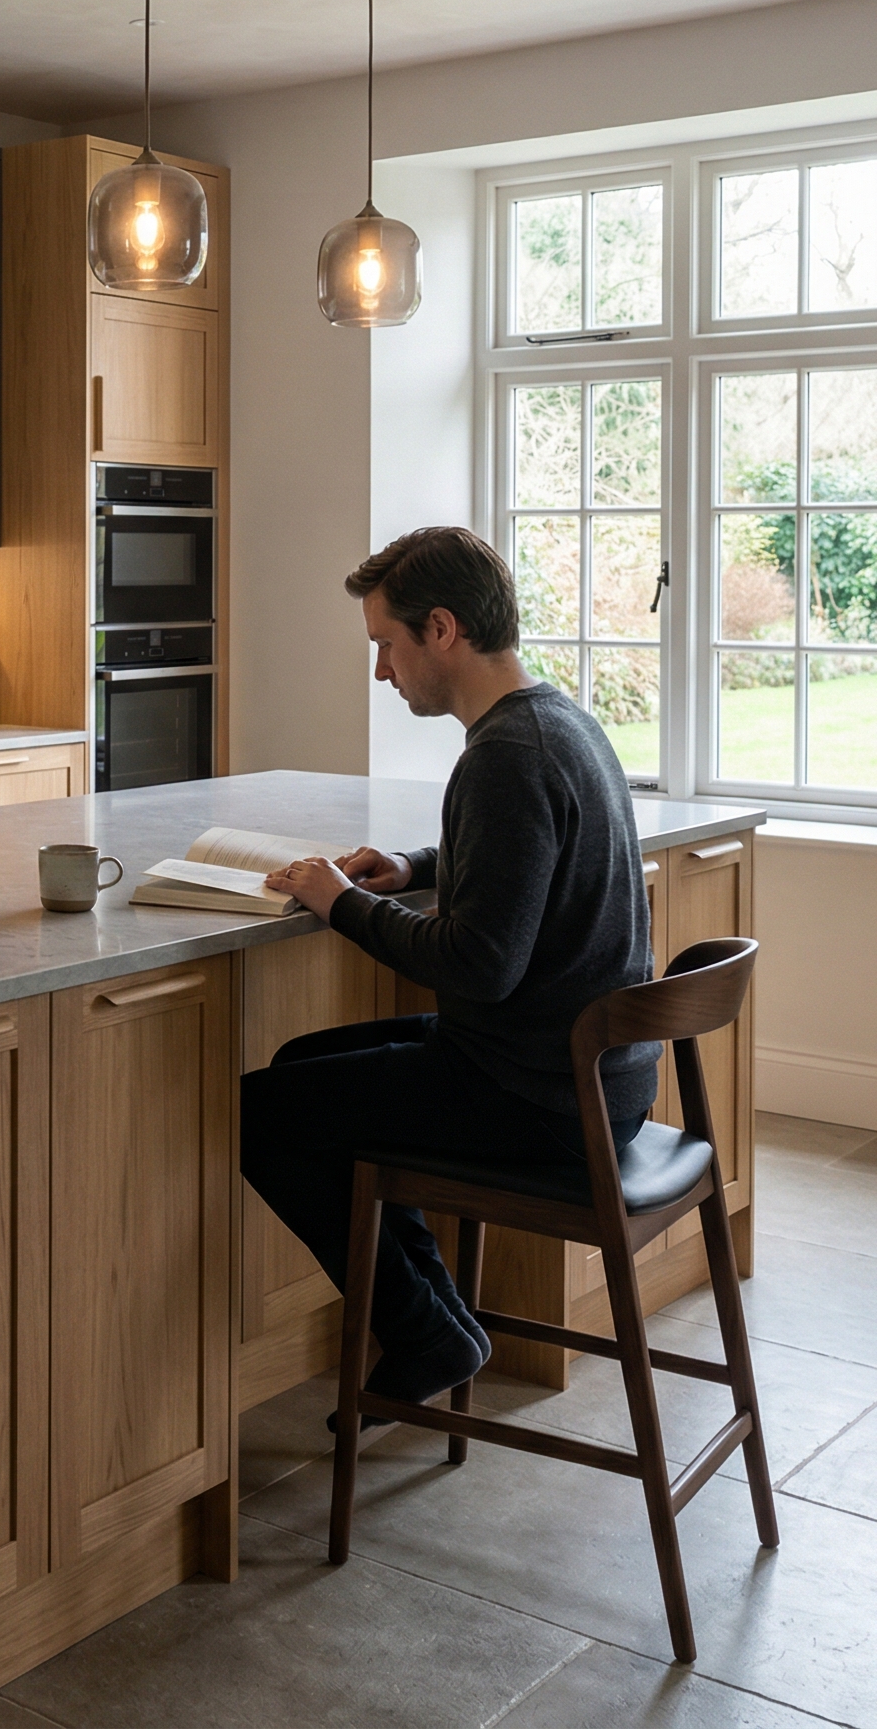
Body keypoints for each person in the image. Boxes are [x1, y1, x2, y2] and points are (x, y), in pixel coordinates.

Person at [242, 525, 654, 1420]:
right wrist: (415, 866)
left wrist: (338, 899)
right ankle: (438, 1321)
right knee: (295, 1070)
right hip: (585, 1077)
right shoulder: (555, 718)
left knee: (264, 1116)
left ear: (440, 629)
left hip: (537, 1096)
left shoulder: (505, 755)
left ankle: (429, 1329)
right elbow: (527, 861)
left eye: (386, 646)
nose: (383, 673)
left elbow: (480, 966)